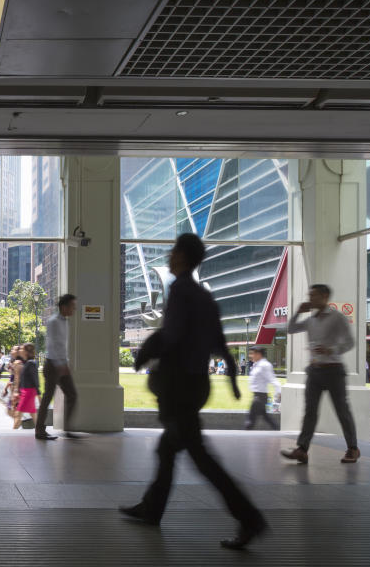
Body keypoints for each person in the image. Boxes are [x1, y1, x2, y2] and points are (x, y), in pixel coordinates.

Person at [121, 233, 266, 550]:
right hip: (197, 383)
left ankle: (249, 518)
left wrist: (144, 353)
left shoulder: (181, 291)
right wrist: (229, 377)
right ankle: (151, 508)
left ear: (183, 257)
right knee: (167, 448)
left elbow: (170, 336)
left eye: (173, 252)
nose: (170, 257)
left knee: (201, 457)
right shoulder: (204, 296)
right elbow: (220, 344)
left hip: (179, 384)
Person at [281, 283, 360, 465]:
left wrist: (331, 349)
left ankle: (353, 448)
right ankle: (302, 450)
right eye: (309, 295)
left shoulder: (337, 317)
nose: (310, 299)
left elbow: (349, 342)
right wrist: (298, 312)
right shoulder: (310, 320)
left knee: (342, 411)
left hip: (334, 370)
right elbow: (291, 329)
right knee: (310, 412)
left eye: (313, 296)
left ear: (325, 297)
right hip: (314, 371)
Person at [35, 294, 80, 440]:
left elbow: (62, 346)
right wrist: (61, 365)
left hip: (61, 363)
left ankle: (67, 429)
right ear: (63, 306)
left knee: (72, 395)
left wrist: (64, 362)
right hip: (53, 364)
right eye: (72, 306)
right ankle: (40, 431)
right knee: (48, 397)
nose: (74, 309)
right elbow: (52, 345)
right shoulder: (53, 321)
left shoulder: (65, 322)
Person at [244, 345, 280, 430]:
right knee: (266, 417)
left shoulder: (265, 365)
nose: (250, 356)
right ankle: (278, 430)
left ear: (259, 354)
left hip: (260, 397)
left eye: (252, 354)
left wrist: (278, 393)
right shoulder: (257, 364)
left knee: (250, 419)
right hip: (258, 396)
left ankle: (244, 436)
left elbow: (273, 380)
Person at [15, 344, 39, 429]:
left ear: (26, 352)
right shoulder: (26, 363)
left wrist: (39, 395)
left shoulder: (31, 363)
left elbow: (35, 380)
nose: (19, 350)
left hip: (28, 392)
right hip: (25, 391)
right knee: (33, 414)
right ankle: (40, 430)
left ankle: (12, 434)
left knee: (18, 415)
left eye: (21, 348)